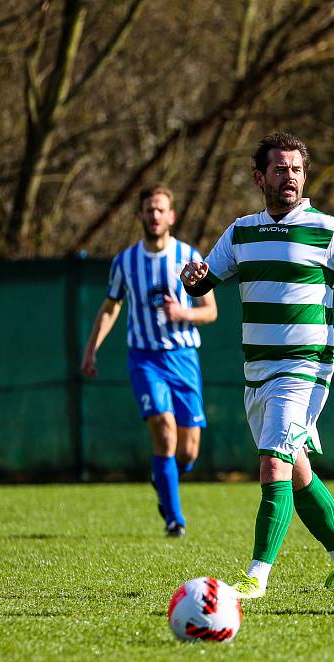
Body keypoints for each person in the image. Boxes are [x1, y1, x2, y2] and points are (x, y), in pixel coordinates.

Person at [180, 131, 334, 599]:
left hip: (306, 368)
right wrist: (192, 279)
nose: (290, 177)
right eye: (280, 169)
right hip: (257, 371)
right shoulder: (241, 231)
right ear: (260, 177)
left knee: (272, 465)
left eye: (297, 169)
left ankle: (255, 577)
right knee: (296, 469)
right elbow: (204, 283)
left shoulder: (327, 228)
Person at [81, 184, 217, 538]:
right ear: (140, 215)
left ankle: (163, 477)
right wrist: (91, 348)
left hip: (184, 358)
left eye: (161, 209)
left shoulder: (189, 256)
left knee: (187, 451)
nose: (154, 215)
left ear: (171, 216)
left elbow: (211, 311)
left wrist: (183, 313)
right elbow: (111, 307)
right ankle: (175, 520)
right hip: (144, 359)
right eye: (149, 210)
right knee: (163, 429)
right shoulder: (124, 262)